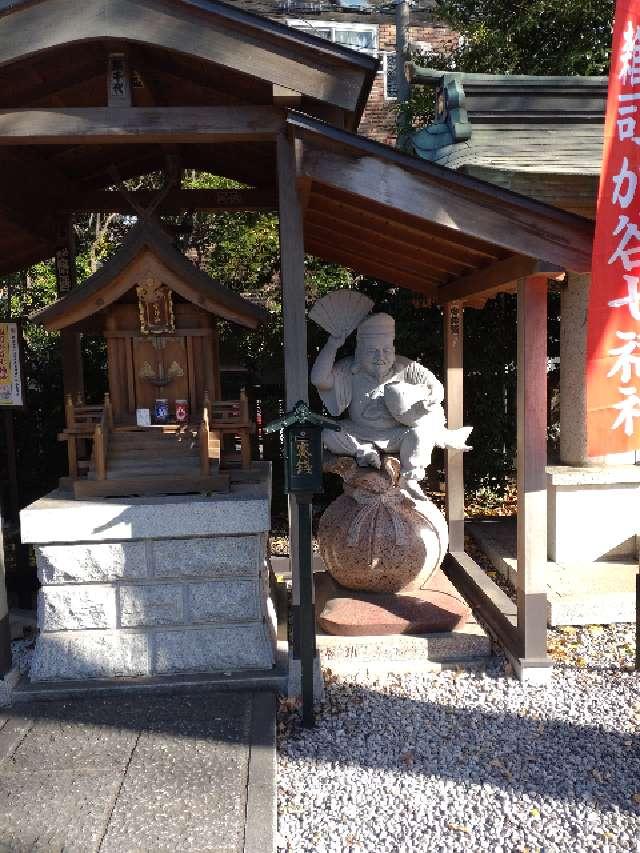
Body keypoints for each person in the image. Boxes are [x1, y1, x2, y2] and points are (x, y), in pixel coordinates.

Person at [310, 312, 471, 499]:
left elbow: (435, 386)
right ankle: (365, 451)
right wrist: (332, 345)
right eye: (372, 351)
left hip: (395, 434)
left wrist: (428, 400)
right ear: (360, 352)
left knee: (419, 434)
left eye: (386, 350)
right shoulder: (349, 369)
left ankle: (411, 478)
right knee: (328, 434)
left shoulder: (406, 367)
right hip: (359, 431)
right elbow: (319, 379)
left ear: (393, 350)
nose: (380, 356)